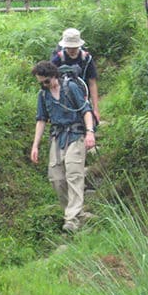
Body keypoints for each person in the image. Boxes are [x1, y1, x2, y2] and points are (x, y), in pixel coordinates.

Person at [30, 61, 96, 233]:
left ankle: (72, 218)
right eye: (40, 82)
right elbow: (41, 119)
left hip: (76, 134)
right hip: (57, 137)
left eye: (46, 81)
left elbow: (86, 110)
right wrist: (35, 145)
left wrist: (89, 132)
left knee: (74, 173)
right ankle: (76, 212)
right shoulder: (43, 95)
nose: (43, 85)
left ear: (54, 76)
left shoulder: (70, 87)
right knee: (56, 178)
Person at [51, 27, 100, 123]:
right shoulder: (58, 58)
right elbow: (50, 80)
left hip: (83, 96)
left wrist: (95, 109)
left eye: (74, 47)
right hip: (63, 97)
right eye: (69, 47)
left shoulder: (87, 59)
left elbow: (92, 83)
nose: (71, 49)